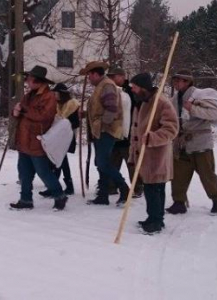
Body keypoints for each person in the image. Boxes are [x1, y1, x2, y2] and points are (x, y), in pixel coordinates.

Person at [166, 69, 217, 216]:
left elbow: (213, 114)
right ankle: (179, 202)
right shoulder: (174, 99)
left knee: (207, 174)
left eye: (180, 80)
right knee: (178, 175)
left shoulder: (200, 96)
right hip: (180, 143)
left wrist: (192, 108)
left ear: (188, 82)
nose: (177, 83)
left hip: (200, 143)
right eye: (175, 80)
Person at [10, 65, 68, 211]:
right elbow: (21, 113)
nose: (27, 81)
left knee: (43, 172)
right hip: (24, 139)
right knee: (24, 173)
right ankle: (25, 200)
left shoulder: (49, 97)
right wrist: (15, 112)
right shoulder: (29, 95)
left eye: (29, 79)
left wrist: (23, 110)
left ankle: (59, 196)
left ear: (38, 81)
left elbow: (43, 116)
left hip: (37, 140)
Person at [128, 73, 179, 234]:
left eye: (135, 87)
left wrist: (153, 137)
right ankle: (153, 218)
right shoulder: (143, 102)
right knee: (151, 189)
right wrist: (133, 152)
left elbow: (171, 129)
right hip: (145, 155)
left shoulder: (161, 102)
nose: (133, 90)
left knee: (155, 189)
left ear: (143, 87)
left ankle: (157, 221)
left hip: (157, 156)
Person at [80, 61, 130, 206]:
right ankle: (103, 195)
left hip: (105, 131)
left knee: (103, 163)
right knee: (102, 163)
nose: (89, 78)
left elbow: (111, 108)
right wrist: (85, 114)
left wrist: (102, 124)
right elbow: (99, 109)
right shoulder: (101, 86)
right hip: (100, 130)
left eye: (90, 75)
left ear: (96, 74)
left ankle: (124, 189)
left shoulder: (107, 86)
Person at [107, 66, 144, 198]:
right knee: (112, 162)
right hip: (114, 133)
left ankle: (137, 187)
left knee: (131, 163)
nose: (112, 79)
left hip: (129, 134)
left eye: (114, 76)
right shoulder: (110, 91)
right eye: (110, 77)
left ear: (122, 77)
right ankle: (111, 186)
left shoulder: (131, 91)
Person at [38, 83, 78, 197]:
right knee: (61, 161)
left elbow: (74, 123)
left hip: (67, 137)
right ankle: (67, 186)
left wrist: (64, 126)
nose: (54, 95)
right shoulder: (58, 105)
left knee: (58, 160)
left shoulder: (71, 105)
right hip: (58, 137)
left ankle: (55, 187)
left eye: (55, 93)